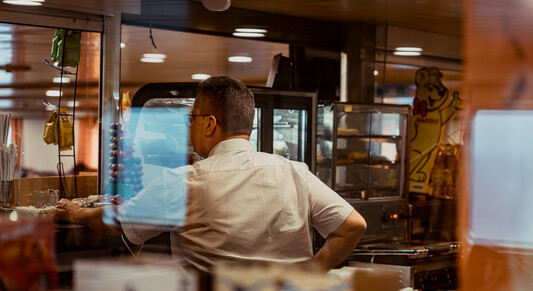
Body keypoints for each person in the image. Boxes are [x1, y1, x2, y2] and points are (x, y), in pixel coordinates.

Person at [55, 76, 367, 269]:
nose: (189, 128)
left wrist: (74, 213)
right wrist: (312, 272)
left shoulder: (185, 182)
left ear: (210, 124)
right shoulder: (294, 172)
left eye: (191, 120)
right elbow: (352, 225)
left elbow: (115, 223)